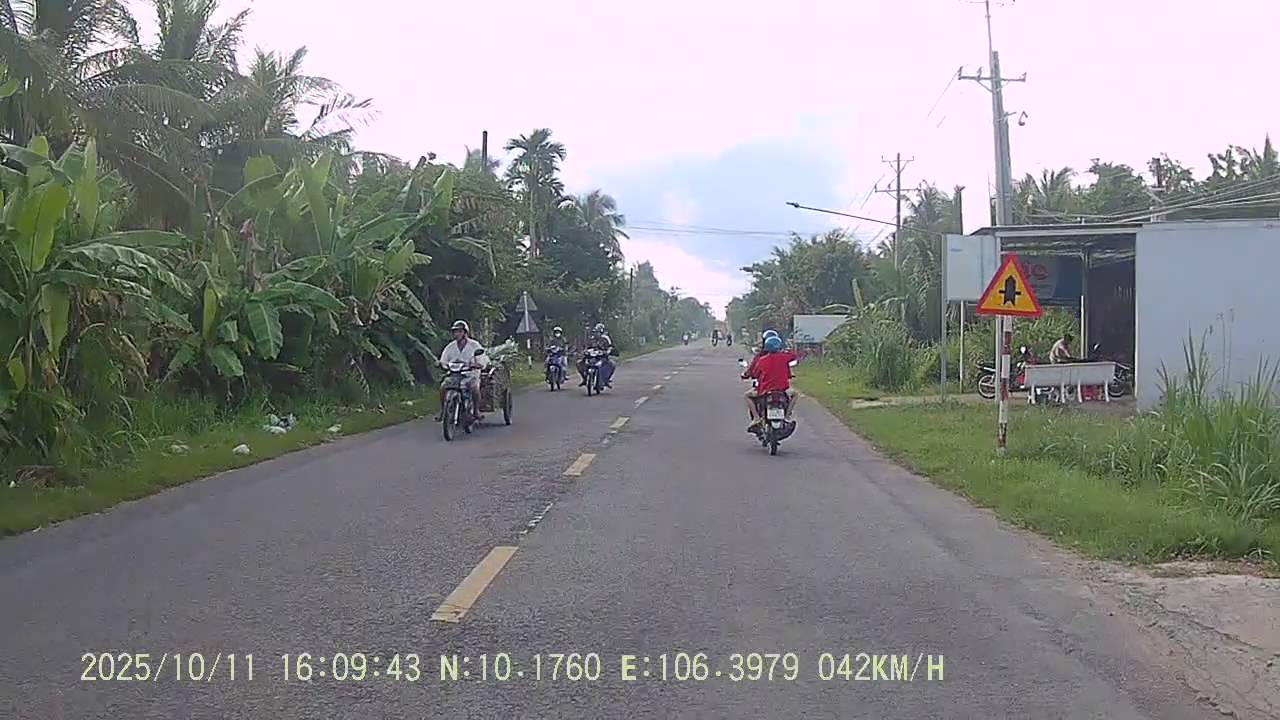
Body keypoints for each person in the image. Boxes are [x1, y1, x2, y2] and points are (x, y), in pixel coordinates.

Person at [437, 320, 488, 421]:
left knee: (474, 389)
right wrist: (441, 364)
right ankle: (443, 410)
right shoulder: (450, 347)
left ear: (465, 333)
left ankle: (476, 410)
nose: (457, 334)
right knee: (443, 387)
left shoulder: (474, 345)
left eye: (460, 331)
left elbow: (482, 360)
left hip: (471, 374)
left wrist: (476, 364)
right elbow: (443, 360)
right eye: (455, 332)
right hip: (454, 375)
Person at [743, 335, 797, 430]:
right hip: (783, 390)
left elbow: (755, 373)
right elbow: (794, 356)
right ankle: (787, 416)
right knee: (795, 395)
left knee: (747, 395)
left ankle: (756, 418)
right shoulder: (784, 357)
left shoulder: (761, 360)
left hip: (765, 391)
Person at [578, 323, 618, 387]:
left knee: (612, 364)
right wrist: (585, 351)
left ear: (601, 332)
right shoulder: (591, 339)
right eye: (595, 332)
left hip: (602, 357)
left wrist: (608, 351)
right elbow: (587, 346)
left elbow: (610, 346)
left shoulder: (606, 338)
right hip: (591, 357)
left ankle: (606, 380)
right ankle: (584, 379)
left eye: (598, 332)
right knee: (579, 363)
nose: (596, 333)